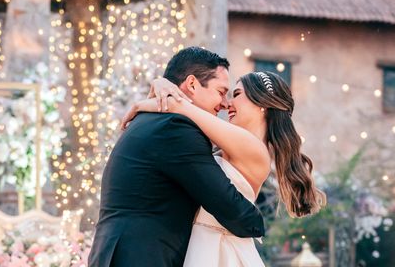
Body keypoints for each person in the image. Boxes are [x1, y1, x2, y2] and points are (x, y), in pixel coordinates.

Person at [120, 69, 326, 266]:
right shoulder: (229, 145)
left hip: (221, 252)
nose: (227, 103)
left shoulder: (255, 149)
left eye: (236, 94)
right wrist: (161, 85)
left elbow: (182, 108)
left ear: (261, 103)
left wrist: (146, 100)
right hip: (202, 245)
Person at [88, 47, 265, 267]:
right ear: (192, 84)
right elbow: (228, 206)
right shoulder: (176, 128)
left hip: (119, 252)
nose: (223, 104)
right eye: (221, 92)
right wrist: (258, 223)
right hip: (142, 256)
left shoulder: (156, 120)